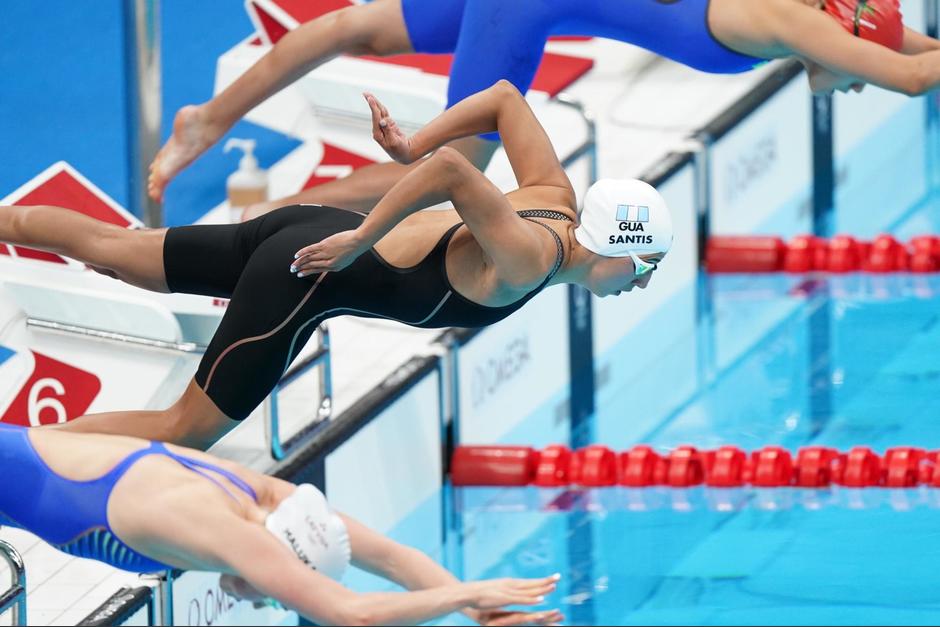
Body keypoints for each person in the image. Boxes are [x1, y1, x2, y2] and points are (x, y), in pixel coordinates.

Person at [0, 80, 672, 448]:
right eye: (643, 268)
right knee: (185, 429)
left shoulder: (554, 196)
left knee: (119, 253)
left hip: (310, 225)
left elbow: (503, 99)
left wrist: (411, 145)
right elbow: (448, 174)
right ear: (615, 247)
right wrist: (367, 233)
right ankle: (17, 459)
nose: (640, 284)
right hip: (308, 272)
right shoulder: (530, 259)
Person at [148, 0, 938, 215]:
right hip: (520, 8)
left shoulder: (809, 16)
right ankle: (272, 216)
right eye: (852, 63)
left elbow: (906, 58)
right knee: (451, 177)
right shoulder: (785, 23)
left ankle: (206, 119)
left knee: (359, 25)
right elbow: (905, 77)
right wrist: (884, 65)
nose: (855, 77)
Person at [0, 424, 563, 626]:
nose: (270, 602)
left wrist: (477, 613)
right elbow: (354, 614)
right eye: (282, 594)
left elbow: (393, 559)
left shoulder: (269, 498)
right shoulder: (232, 533)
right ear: (280, 561)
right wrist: (470, 590)